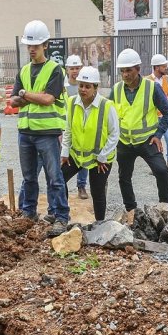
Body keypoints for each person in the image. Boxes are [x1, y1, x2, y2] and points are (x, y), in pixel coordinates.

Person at [11, 19, 69, 235]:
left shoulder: (55, 69)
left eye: (36, 45)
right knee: (29, 178)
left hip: (47, 133)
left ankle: (61, 216)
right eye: (29, 45)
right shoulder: (24, 70)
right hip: (25, 132)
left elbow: (48, 99)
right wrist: (28, 96)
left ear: (45, 45)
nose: (32, 49)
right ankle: (29, 213)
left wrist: (25, 94)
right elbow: (13, 102)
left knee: (54, 177)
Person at [112, 48, 168, 217]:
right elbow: (108, 115)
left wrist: (158, 135)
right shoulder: (116, 89)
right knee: (124, 177)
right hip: (124, 142)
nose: (125, 74)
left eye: (129, 70)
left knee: (161, 171)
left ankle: (165, 207)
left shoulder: (152, 87)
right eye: (122, 71)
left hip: (147, 141)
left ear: (138, 69)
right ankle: (131, 209)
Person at [61, 66, 119, 221]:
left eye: (87, 86)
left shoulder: (107, 106)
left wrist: (103, 156)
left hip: (99, 159)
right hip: (77, 154)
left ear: (95, 88)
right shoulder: (72, 102)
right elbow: (68, 129)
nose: (83, 89)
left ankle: (100, 224)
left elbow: (114, 134)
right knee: (59, 180)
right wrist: (65, 152)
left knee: (97, 191)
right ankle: (62, 216)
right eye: (81, 85)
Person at [147, 53, 168, 173]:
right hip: (153, 117)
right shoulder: (147, 81)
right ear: (156, 67)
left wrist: (165, 101)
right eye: (163, 66)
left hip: (166, 115)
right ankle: (157, 165)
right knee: (155, 140)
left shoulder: (167, 78)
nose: (166, 68)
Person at [64, 55, 89, 200]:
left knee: (83, 156)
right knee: (65, 157)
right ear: (67, 69)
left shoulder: (84, 85)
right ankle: (63, 188)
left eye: (77, 68)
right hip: (67, 126)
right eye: (72, 68)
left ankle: (81, 186)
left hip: (83, 126)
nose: (75, 71)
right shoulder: (63, 86)